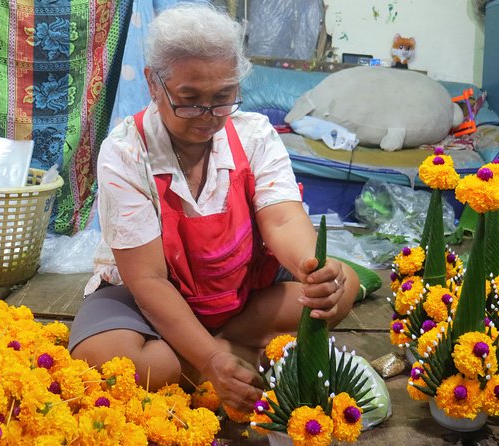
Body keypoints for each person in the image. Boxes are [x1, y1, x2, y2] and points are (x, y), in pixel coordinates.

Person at [69, 3, 359, 412]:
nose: (208, 117)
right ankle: (220, 357)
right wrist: (209, 359)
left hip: (241, 289)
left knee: (342, 288)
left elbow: (282, 219)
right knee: (113, 363)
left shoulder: (254, 133)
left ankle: (223, 348)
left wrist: (311, 269)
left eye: (224, 97)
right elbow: (148, 279)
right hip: (154, 297)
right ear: (154, 84)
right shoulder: (126, 151)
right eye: (189, 101)